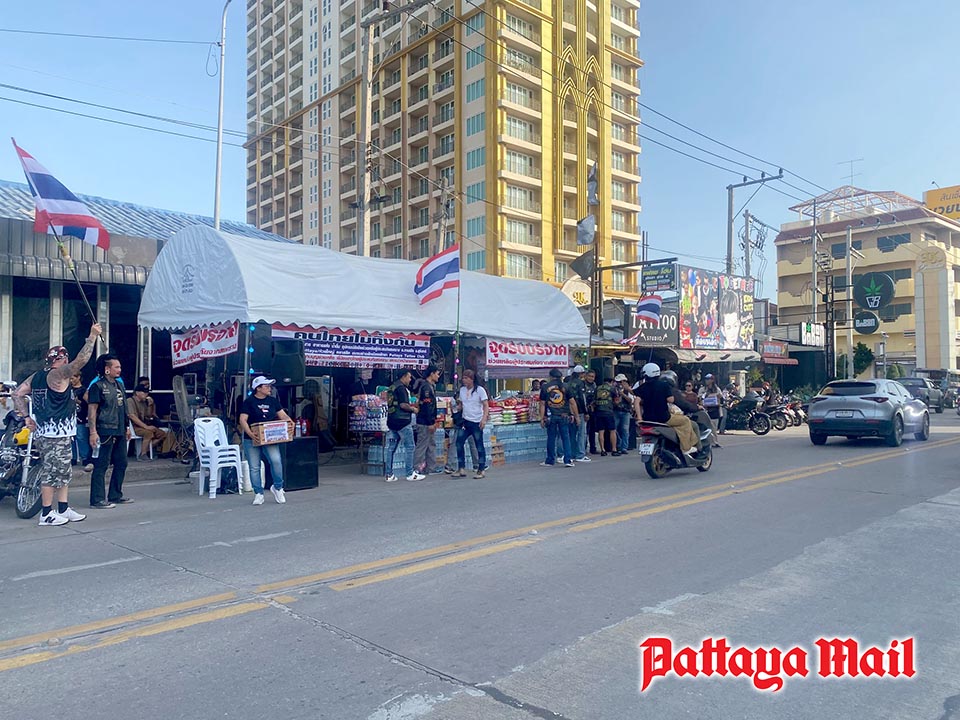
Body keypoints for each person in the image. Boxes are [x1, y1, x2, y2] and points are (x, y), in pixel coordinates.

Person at [13, 324, 101, 526]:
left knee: (63, 471)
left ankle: (63, 507)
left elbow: (17, 393)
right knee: (52, 472)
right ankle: (46, 513)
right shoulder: (58, 374)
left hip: (52, 432)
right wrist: (92, 336)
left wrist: (26, 417)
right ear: (62, 359)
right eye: (65, 358)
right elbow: (81, 361)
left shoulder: (37, 376)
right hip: (53, 435)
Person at [238, 376, 294, 504]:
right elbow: (243, 419)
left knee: (276, 461)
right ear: (258, 388)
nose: (269, 388)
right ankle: (258, 493)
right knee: (254, 466)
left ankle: (278, 487)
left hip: (269, 437)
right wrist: (250, 433)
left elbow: (282, 415)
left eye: (270, 386)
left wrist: (289, 421)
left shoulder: (273, 401)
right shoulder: (249, 402)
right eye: (266, 386)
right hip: (251, 438)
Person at [88, 353, 133, 509]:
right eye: (116, 367)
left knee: (122, 462)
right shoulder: (97, 386)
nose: (119, 369)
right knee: (101, 464)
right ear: (107, 369)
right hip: (104, 430)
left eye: (119, 367)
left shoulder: (119, 385)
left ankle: (115, 495)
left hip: (120, 429)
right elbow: (92, 410)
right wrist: (93, 432)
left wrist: (127, 427)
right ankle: (97, 499)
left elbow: (124, 408)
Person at [634, 362, 698, 457]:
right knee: (685, 421)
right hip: (663, 418)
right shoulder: (664, 385)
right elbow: (671, 400)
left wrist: (640, 418)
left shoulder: (643, 387)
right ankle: (686, 448)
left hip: (647, 419)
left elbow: (636, 402)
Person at [384, 369, 422, 482]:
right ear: (404, 376)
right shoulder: (402, 389)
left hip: (391, 421)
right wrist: (413, 409)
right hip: (403, 422)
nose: (410, 380)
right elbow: (403, 405)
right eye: (409, 377)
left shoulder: (392, 387)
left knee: (391, 448)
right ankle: (410, 473)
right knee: (410, 446)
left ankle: (389, 474)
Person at [539, 368, 577, 467]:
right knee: (566, 438)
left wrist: (542, 418)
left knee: (551, 438)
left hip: (551, 416)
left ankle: (550, 460)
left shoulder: (545, 387)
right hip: (564, 415)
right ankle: (568, 460)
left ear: (551, 376)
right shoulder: (566, 386)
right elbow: (572, 402)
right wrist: (575, 415)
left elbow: (542, 404)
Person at [455, 369, 489, 478]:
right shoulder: (462, 390)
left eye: (466, 378)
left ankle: (481, 469)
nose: (464, 380)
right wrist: (458, 407)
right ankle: (461, 468)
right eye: (463, 378)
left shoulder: (480, 390)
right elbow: (461, 404)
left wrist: (484, 419)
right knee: (459, 443)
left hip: (476, 421)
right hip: (465, 421)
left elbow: (486, 405)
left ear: (472, 379)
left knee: (479, 445)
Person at [414, 365, 441, 475]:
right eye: (437, 374)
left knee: (431, 445)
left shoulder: (430, 386)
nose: (438, 376)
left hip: (429, 421)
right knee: (422, 445)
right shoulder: (426, 387)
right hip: (424, 422)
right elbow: (427, 406)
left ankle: (431, 468)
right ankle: (417, 468)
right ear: (432, 374)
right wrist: (430, 422)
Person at [127, 384, 164, 460]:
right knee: (148, 433)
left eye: (147, 392)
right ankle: (143, 454)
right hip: (133, 427)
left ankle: (144, 450)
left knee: (162, 434)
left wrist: (150, 405)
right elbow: (132, 416)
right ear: (137, 393)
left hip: (143, 425)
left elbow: (148, 416)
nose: (146, 394)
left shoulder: (143, 402)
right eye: (144, 392)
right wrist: (146, 427)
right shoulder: (130, 401)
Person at [565, 365, 591, 463]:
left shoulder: (568, 383)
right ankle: (580, 454)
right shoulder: (580, 383)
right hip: (579, 411)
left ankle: (572, 454)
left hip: (569, 411)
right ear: (581, 374)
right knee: (581, 434)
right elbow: (582, 398)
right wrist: (586, 412)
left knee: (572, 434)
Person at [70, 372, 93, 472]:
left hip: (81, 416)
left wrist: (78, 401)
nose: (71, 381)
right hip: (70, 416)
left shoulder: (83, 390)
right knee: (71, 438)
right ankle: (73, 457)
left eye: (73, 378)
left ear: (78, 377)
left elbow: (89, 404)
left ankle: (85, 457)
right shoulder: (69, 390)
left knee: (81, 436)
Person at [591, 375, 619, 455]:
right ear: (611, 382)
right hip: (608, 412)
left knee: (601, 431)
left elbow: (594, 400)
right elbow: (616, 401)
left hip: (599, 412)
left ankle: (603, 450)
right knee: (612, 430)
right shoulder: (612, 388)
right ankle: (614, 449)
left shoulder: (597, 388)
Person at [613, 374, 634, 455]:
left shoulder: (628, 389)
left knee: (625, 430)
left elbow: (630, 400)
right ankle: (618, 444)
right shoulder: (614, 389)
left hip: (625, 411)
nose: (620, 383)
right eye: (618, 382)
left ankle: (624, 447)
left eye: (621, 382)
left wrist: (623, 394)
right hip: (616, 411)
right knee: (614, 429)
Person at [582, 369, 598, 454]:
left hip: (593, 410)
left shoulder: (594, 385)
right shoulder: (582, 384)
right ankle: (583, 449)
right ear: (586, 376)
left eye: (593, 377)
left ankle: (593, 448)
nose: (591, 378)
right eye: (590, 376)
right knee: (585, 431)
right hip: (585, 409)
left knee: (592, 430)